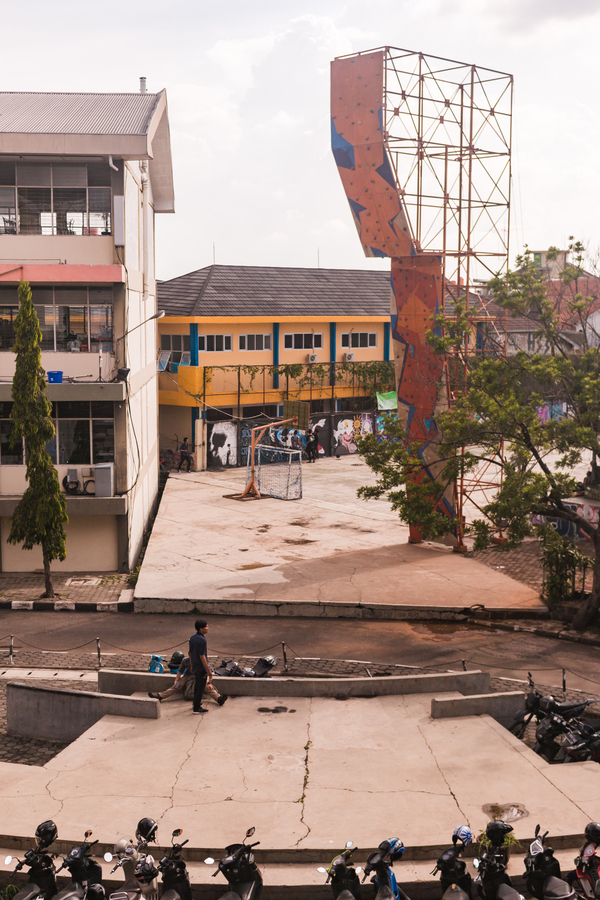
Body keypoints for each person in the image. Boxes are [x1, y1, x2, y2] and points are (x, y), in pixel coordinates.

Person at [148, 654, 228, 707]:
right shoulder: (185, 660)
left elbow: (209, 672)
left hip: (200, 675)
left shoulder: (202, 660)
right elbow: (180, 670)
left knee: (207, 687)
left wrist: (208, 682)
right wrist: (176, 680)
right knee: (177, 685)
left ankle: (219, 699)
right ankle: (160, 696)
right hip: (188, 675)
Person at [189, 619, 214, 714]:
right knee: (200, 687)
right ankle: (196, 708)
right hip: (201, 667)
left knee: (197, 686)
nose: (208, 628)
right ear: (201, 629)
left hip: (195, 666)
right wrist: (208, 670)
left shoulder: (192, 638)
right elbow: (202, 656)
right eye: (206, 627)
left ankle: (195, 703)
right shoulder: (202, 640)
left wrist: (191, 665)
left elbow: (190, 653)